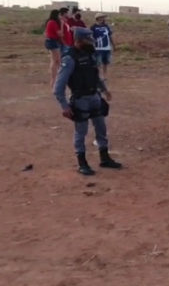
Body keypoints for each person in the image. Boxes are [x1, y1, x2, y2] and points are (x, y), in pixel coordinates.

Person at [53, 27, 122, 175]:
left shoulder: (89, 54)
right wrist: (64, 106)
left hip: (94, 97)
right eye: (87, 40)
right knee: (81, 132)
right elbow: (58, 87)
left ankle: (104, 158)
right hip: (80, 99)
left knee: (101, 128)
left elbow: (95, 75)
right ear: (78, 40)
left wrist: (104, 90)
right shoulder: (69, 59)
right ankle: (82, 163)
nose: (91, 43)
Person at [91, 13, 114, 79]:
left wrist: (113, 44)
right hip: (98, 48)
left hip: (107, 47)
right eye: (102, 17)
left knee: (105, 63)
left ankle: (104, 75)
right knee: (98, 63)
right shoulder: (93, 27)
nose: (104, 19)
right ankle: (98, 76)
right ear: (98, 18)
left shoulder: (106, 26)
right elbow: (91, 37)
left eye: (104, 17)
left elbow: (109, 36)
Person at [44, 9, 63, 87]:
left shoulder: (49, 22)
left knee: (55, 60)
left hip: (50, 41)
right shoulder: (53, 22)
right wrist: (61, 25)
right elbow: (60, 34)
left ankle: (55, 78)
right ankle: (54, 79)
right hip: (53, 41)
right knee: (56, 60)